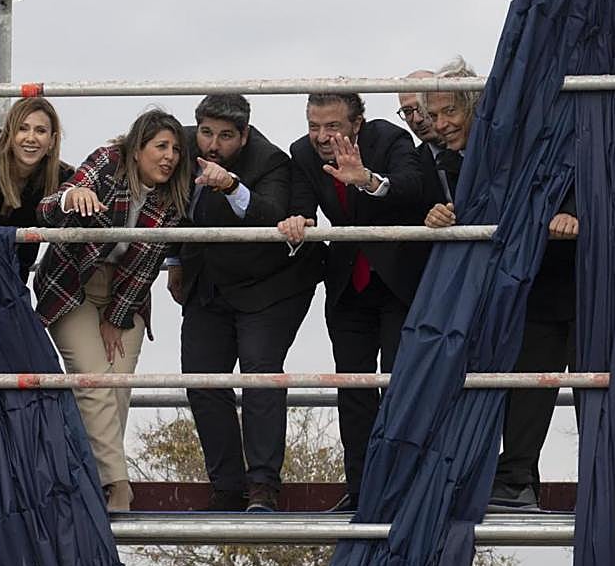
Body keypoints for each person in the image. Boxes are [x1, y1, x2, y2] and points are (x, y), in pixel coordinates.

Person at [422, 76, 577, 511]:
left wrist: (573, 210)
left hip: (581, 277)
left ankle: (601, 483)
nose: (440, 123)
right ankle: (516, 482)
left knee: (594, 388)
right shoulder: (443, 162)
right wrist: (437, 218)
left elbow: (578, 167)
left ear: (478, 108)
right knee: (526, 387)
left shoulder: (527, 137)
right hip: (524, 290)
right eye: (434, 115)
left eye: (450, 111)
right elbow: (429, 201)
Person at [167, 94, 324, 513]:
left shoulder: (270, 160)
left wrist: (231, 186)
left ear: (245, 134)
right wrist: (175, 262)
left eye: (225, 136)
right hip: (208, 281)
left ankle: (262, 487)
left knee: (260, 374)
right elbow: (165, 197)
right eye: (206, 133)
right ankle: (226, 488)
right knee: (201, 379)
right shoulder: (180, 145)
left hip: (270, 284)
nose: (213, 144)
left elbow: (270, 213)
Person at [34, 109, 190, 512]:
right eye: (161, 146)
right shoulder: (108, 162)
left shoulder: (172, 196)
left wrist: (116, 319)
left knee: (117, 386)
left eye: (176, 149)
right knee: (93, 380)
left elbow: (147, 265)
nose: (169, 157)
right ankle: (118, 487)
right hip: (72, 286)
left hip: (127, 293)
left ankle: (90, 480)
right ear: (137, 149)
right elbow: (47, 209)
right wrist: (72, 197)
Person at [278, 92, 424, 512]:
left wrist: (367, 180)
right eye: (314, 126)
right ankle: (361, 491)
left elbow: (413, 188)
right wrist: (298, 221)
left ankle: (402, 491)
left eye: (333, 126)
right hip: (347, 287)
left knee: (400, 387)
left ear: (357, 124)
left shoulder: (389, 138)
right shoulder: (301, 152)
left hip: (398, 283)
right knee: (354, 392)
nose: (322, 136)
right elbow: (302, 208)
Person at [0, 98, 73, 283]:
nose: (31, 138)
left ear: (52, 140)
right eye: (22, 128)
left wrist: (81, 193)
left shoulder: (62, 178)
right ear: (9, 133)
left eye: (40, 131)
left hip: (13, 285)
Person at [397, 69, 448, 211]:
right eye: (407, 111)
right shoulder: (412, 164)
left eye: (422, 107)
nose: (417, 119)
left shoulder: (481, 147)